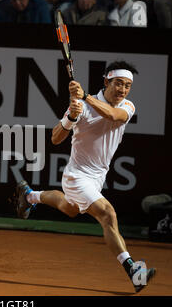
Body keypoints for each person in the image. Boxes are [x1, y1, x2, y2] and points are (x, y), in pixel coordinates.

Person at [12, 61, 156, 293]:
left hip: (97, 177)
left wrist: (85, 96)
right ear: (106, 81)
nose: (123, 90)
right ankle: (134, 271)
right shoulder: (81, 107)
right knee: (108, 214)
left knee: (69, 208)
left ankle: (30, 196)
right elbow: (55, 138)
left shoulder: (126, 106)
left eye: (127, 86)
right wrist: (70, 117)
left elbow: (112, 115)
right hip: (77, 176)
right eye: (118, 84)